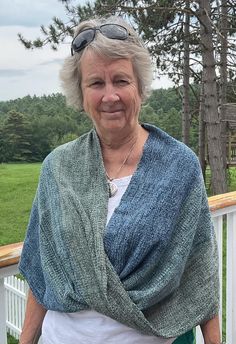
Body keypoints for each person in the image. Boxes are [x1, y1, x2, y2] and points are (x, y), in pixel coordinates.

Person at [19, 15, 221, 344]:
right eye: (96, 83)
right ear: (81, 95)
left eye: (121, 81)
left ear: (140, 88)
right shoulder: (58, 167)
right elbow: (42, 270)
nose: (109, 95)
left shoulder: (178, 167)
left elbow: (201, 269)